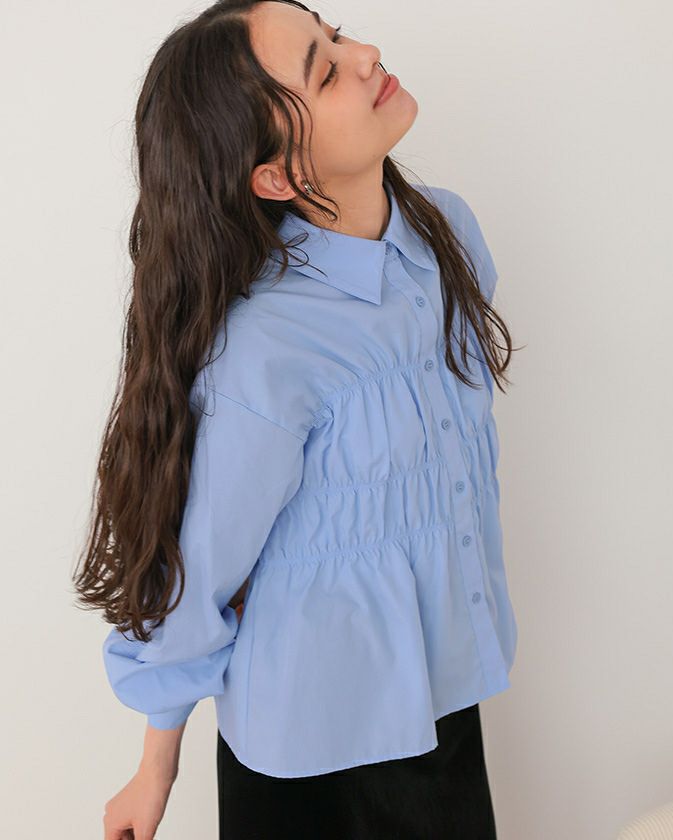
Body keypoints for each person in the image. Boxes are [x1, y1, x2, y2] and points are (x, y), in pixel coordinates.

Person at [71, 1, 521, 837]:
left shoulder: (446, 237)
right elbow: (204, 566)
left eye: (336, 34)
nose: (366, 54)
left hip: (443, 704)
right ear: (275, 177)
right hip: (313, 760)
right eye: (325, 69)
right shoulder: (264, 351)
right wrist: (155, 766)